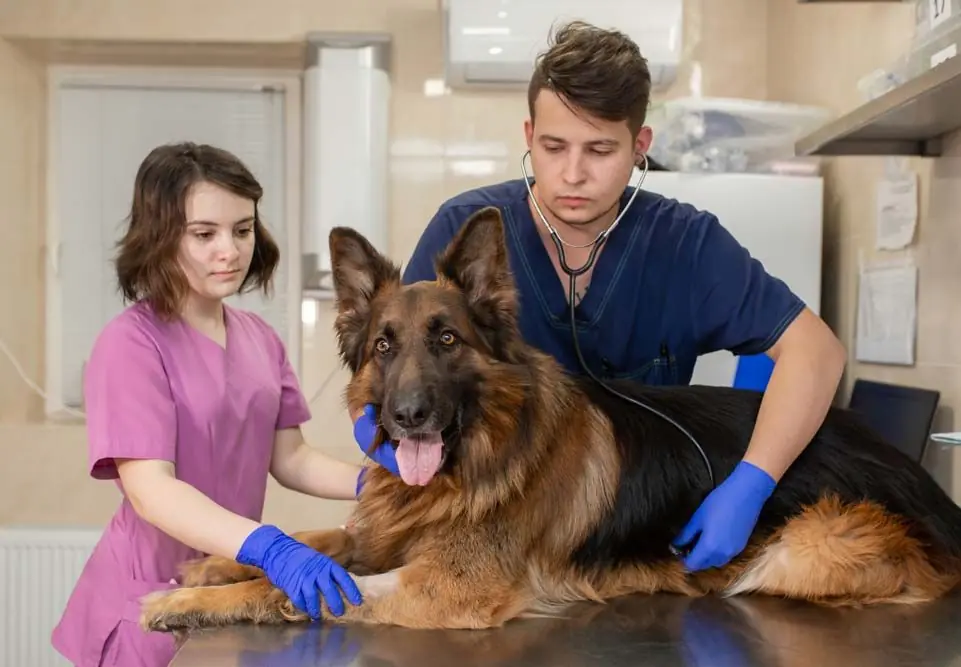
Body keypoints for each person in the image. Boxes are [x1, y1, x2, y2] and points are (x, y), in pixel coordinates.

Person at [353, 22, 846, 573]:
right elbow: (403, 354)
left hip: (627, 532)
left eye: (601, 150)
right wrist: (382, 436)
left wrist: (752, 482)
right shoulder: (466, 227)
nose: (572, 174)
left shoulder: (687, 244)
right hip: (496, 525)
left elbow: (816, 353)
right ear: (528, 134)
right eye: (553, 146)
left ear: (640, 148)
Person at [51, 142, 364, 667]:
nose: (231, 250)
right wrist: (270, 547)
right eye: (205, 234)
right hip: (147, 603)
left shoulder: (260, 338)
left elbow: (290, 458)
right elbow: (152, 489)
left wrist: (374, 482)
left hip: (222, 592)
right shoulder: (129, 344)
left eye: (243, 230)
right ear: (159, 236)